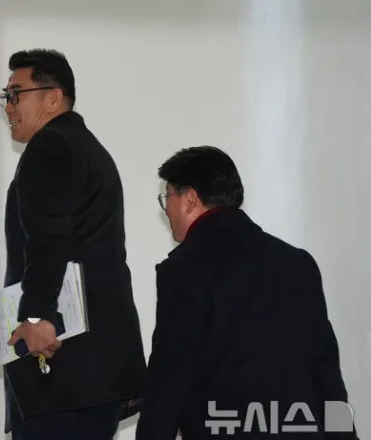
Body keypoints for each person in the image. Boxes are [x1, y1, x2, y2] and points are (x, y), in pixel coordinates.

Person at [136, 146, 358, 440]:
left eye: (168, 197)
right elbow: (325, 371)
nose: (166, 209)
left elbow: (171, 375)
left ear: (189, 199)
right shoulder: (297, 262)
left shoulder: (185, 269)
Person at [0, 48, 147, 440]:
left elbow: (49, 237)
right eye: (6, 96)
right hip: (93, 371)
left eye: (16, 94)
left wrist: (36, 317)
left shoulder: (50, 146)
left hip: (66, 370)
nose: (8, 106)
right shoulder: (83, 146)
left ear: (53, 97)